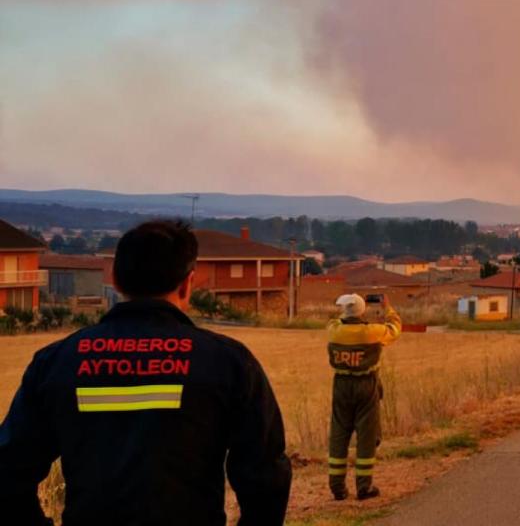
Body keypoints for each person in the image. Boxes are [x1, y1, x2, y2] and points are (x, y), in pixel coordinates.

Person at [0, 220, 292, 526]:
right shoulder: (228, 363)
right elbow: (266, 477)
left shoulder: (56, 363)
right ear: (187, 283)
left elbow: (7, 472)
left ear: (114, 279)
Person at [327, 293, 401, 501]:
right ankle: (364, 487)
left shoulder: (334, 330)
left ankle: (337, 487)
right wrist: (387, 307)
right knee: (367, 437)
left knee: (339, 435)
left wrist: (351, 309)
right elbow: (395, 328)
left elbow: (337, 319)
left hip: (341, 385)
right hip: (366, 384)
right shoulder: (372, 332)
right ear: (362, 310)